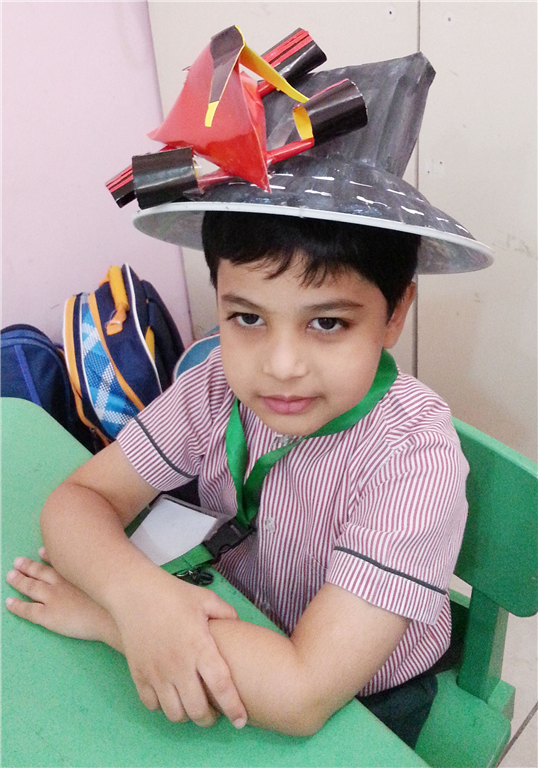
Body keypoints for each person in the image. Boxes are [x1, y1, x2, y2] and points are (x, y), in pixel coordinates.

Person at [5, 46, 493, 748]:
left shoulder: (415, 459)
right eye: (247, 317)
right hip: (237, 613)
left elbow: (301, 695)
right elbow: (77, 501)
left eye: (328, 323)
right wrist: (141, 598)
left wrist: (112, 619)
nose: (281, 366)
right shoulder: (213, 386)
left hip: (361, 694)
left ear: (394, 315)